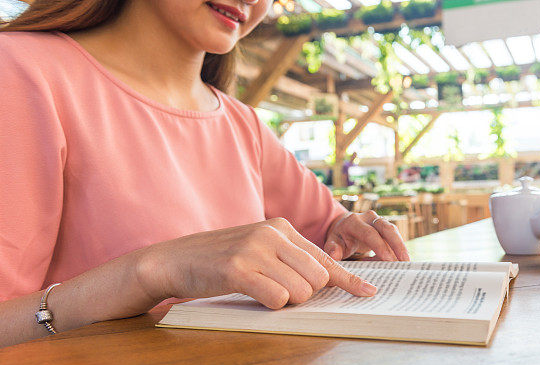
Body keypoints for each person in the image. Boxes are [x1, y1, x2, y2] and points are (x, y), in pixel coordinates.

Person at [0, 0, 410, 347]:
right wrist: (153, 271)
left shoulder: (241, 122)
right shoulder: (18, 70)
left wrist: (350, 232)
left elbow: (331, 233)